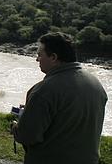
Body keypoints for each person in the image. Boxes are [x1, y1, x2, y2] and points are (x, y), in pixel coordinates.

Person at [11, 32, 107, 164]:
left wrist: (16, 127)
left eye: (40, 54)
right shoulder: (96, 84)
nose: (37, 59)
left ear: (54, 57)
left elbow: (28, 136)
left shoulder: (44, 90)